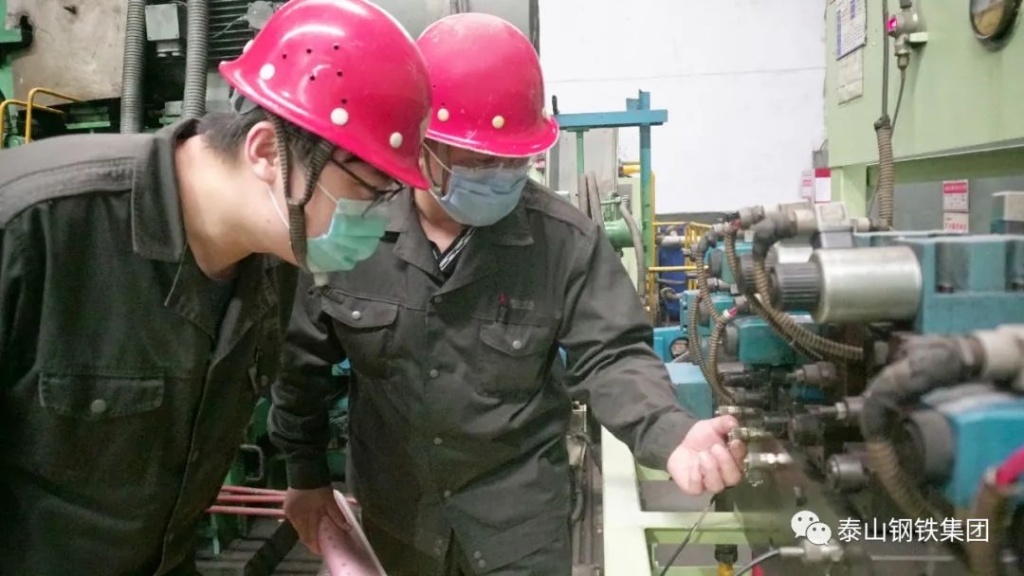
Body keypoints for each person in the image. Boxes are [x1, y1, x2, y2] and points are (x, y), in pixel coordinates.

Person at [270, 12, 747, 576]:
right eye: (479, 160)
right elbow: (301, 362)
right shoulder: (352, 233)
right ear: (424, 145)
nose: (500, 174)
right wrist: (305, 475)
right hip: (398, 522)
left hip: (518, 532)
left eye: (514, 159)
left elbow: (613, 356)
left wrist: (670, 432)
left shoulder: (563, 242)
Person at [0, 1, 432, 574]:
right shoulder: (33, 229)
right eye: (369, 192)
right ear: (265, 152)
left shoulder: (275, 257)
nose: (378, 221)